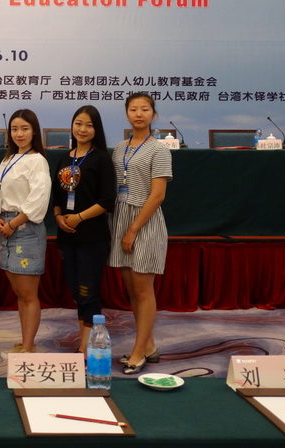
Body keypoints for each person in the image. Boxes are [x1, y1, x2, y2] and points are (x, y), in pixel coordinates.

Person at [109, 92, 172, 374]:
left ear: (153, 115)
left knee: (144, 290)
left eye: (144, 109)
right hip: (121, 218)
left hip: (144, 222)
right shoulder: (119, 148)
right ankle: (148, 345)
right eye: (133, 109)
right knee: (132, 289)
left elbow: (158, 195)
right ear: (127, 114)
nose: (138, 114)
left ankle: (138, 352)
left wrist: (133, 229)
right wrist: (123, 228)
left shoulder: (159, 150)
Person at [52, 105, 116, 354]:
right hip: (66, 236)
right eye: (78, 123)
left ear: (96, 129)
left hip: (92, 237)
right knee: (77, 292)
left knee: (88, 291)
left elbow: (107, 200)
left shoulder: (101, 158)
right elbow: (56, 197)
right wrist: (59, 216)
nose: (82, 129)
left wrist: (79, 218)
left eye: (89, 125)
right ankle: (86, 341)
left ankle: (87, 347)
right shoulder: (64, 158)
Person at [0, 109, 51, 357]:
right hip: (5, 226)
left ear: (34, 131)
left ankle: (28, 347)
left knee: (28, 294)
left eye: (25, 128)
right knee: (19, 292)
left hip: (25, 228)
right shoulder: (8, 159)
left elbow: (39, 198)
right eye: (14, 129)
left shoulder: (37, 160)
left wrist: (13, 223)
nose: (19, 134)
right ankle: (25, 342)